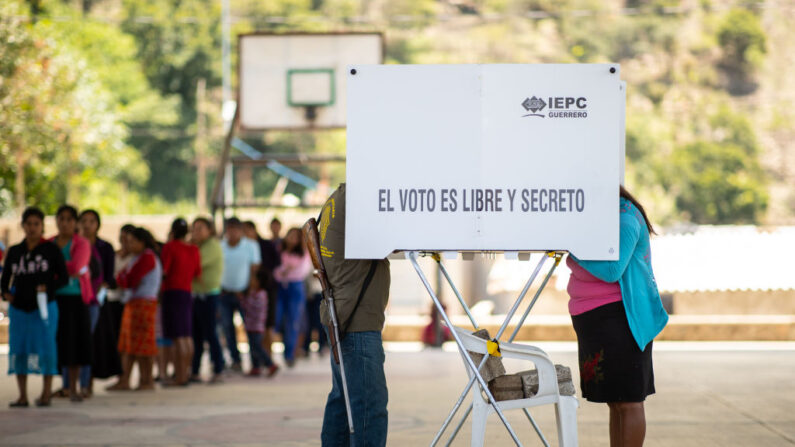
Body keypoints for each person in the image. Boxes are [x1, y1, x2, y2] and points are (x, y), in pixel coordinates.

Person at [566, 186, 668, 447]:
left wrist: (570, 246)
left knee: (629, 401)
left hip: (621, 321)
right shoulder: (602, 217)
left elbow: (612, 269)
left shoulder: (625, 218)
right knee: (616, 401)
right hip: (598, 323)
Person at [318, 183, 391, 446]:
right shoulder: (360, 198)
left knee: (344, 402)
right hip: (357, 321)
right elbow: (393, 235)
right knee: (368, 408)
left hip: (345, 314)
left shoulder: (340, 199)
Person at [2, 207, 69, 407]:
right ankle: (22, 395)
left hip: (45, 308)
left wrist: (47, 288)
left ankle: (45, 393)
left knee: (47, 348)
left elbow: (63, 278)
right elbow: (5, 278)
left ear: (42, 226)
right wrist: (6, 293)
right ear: (23, 226)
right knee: (19, 349)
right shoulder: (15, 251)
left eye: (36, 224)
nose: (32, 228)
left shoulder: (51, 250)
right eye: (28, 224)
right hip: (20, 309)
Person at [108, 227, 162, 391]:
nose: (129, 245)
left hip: (143, 304)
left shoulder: (146, 258)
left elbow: (129, 280)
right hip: (135, 303)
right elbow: (122, 277)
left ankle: (146, 380)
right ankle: (126, 379)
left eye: (132, 241)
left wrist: (122, 279)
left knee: (142, 345)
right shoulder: (137, 257)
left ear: (142, 242)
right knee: (130, 345)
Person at [51, 205, 95, 402]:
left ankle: (75, 387)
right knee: (59, 342)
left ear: (74, 223)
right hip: (55, 297)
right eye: (62, 218)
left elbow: (77, 267)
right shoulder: (50, 243)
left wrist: (57, 267)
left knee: (76, 343)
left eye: (69, 219)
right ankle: (64, 386)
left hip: (76, 298)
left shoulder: (82, 243)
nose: (65, 223)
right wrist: (62, 269)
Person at [75, 209, 116, 398]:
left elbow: (109, 277)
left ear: (98, 224)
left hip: (96, 301)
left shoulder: (105, 247)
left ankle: (87, 382)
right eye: (84, 221)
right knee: (74, 340)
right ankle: (72, 383)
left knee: (92, 341)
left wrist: (100, 290)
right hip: (75, 299)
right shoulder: (72, 244)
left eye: (92, 221)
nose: (87, 225)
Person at [160, 218, 201, 386]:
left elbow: (164, 270)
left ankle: (179, 376)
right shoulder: (194, 249)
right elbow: (197, 273)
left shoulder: (170, 247)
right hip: (187, 292)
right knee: (187, 336)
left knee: (177, 337)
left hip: (171, 292)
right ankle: (186, 373)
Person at [219, 217, 261, 372]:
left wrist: (248, 290)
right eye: (229, 229)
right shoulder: (220, 246)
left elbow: (254, 268)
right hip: (224, 293)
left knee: (250, 328)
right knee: (228, 328)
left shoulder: (250, 246)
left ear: (241, 230)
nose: (232, 232)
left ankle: (255, 362)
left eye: (235, 229)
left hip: (245, 294)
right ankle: (235, 360)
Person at [190, 217, 225, 383]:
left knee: (210, 334)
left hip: (209, 296)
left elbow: (193, 264)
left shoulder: (212, 246)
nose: (195, 232)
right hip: (196, 295)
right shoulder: (197, 246)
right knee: (196, 335)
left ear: (209, 230)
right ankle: (195, 371)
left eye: (200, 228)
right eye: (194, 228)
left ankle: (218, 368)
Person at [273, 228, 312, 367]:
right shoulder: (278, 250)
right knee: (276, 319)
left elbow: (303, 270)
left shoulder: (303, 253)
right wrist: (283, 271)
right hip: (279, 287)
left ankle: (289, 355)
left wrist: (287, 271)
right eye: (291, 235)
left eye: (296, 237)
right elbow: (274, 268)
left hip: (295, 287)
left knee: (293, 320)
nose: (292, 239)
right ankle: (275, 351)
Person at [243, 220, 281, 358]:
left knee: (268, 324)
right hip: (251, 289)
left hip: (268, 289)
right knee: (254, 326)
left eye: (246, 230)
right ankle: (259, 359)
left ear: (253, 230)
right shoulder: (244, 247)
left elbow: (277, 262)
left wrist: (261, 273)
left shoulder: (265, 244)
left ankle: (268, 357)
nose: (244, 234)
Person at [241, 270, 279, 378]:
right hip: (251, 326)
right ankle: (256, 367)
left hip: (256, 327)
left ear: (259, 281)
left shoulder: (261, 295)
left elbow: (251, 308)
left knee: (257, 347)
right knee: (253, 347)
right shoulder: (254, 293)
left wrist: (242, 300)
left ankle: (270, 364)